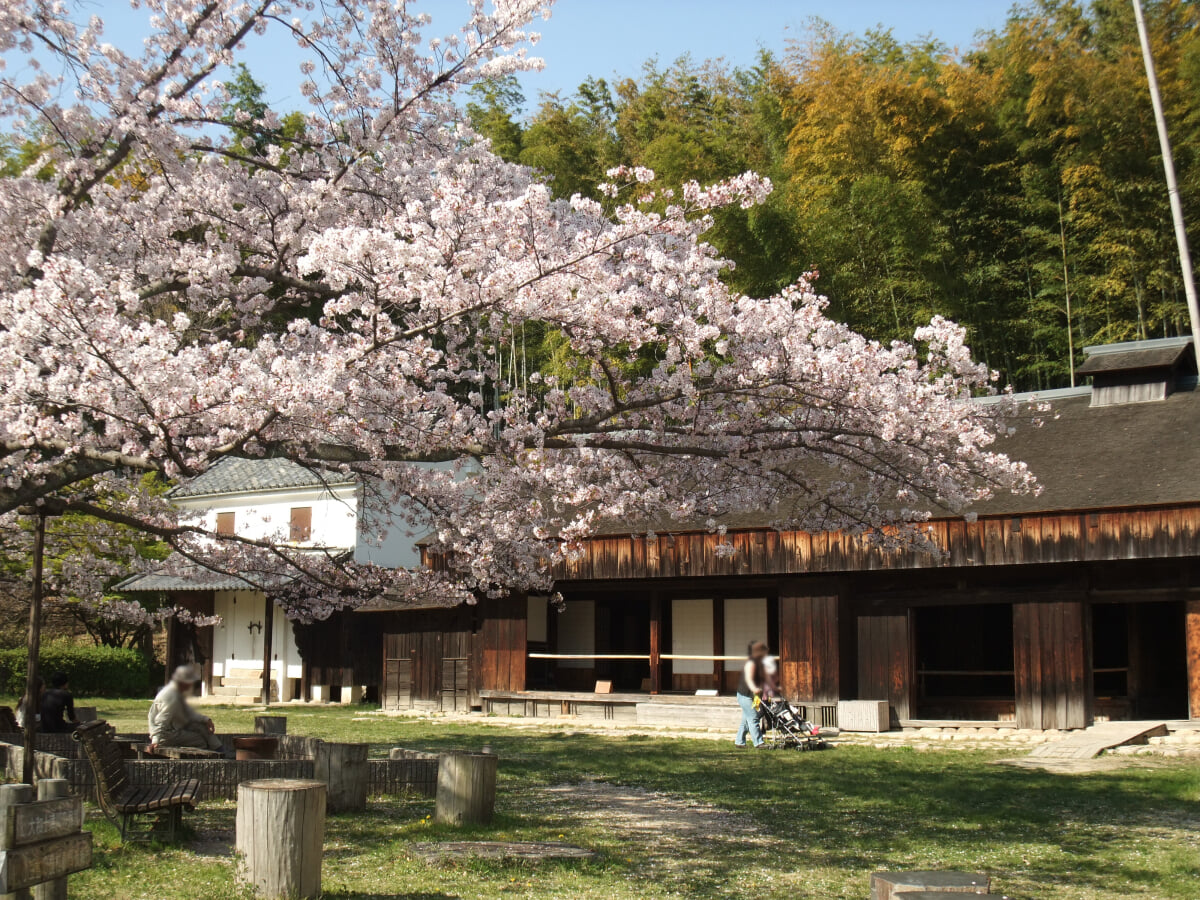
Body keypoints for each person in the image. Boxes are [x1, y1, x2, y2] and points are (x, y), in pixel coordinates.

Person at [148, 664, 223, 752]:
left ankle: (220, 751)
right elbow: (161, 720)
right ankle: (214, 757)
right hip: (165, 735)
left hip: (173, 729)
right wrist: (155, 741)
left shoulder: (175, 692)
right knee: (200, 741)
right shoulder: (171, 697)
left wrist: (206, 720)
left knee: (201, 727)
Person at [734, 640, 769, 748]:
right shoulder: (751, 663)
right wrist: (755, 689)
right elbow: (749, 679)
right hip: (744, 695)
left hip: (751, 696)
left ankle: (739, 742)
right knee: (753, 717)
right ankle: (758, 742)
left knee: (746, 720)